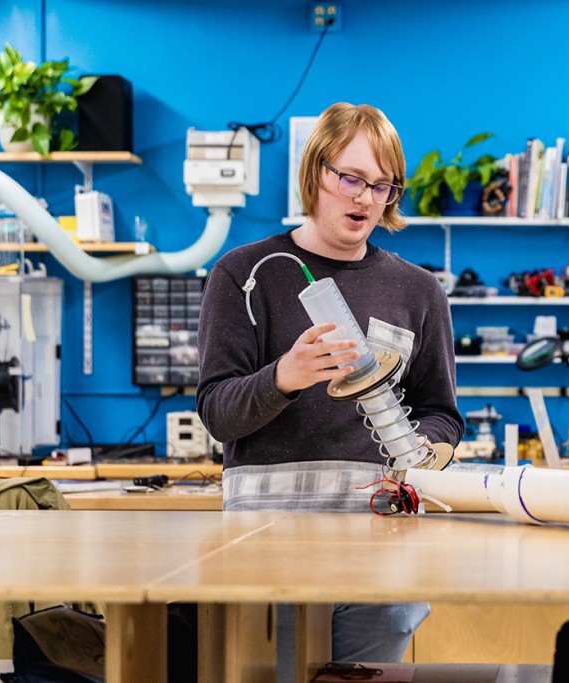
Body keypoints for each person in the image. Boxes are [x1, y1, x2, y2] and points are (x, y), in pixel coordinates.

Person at [196, 102, 464, 662]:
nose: (366, 198)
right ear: (315, 171)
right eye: (351, 178)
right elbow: (218, 411)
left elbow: (441, 410)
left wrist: (433, 449)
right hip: (270, 543)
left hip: (382, 538)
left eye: (383, 185)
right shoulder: (245, 274)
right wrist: (283, 378)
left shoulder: (418, 291)